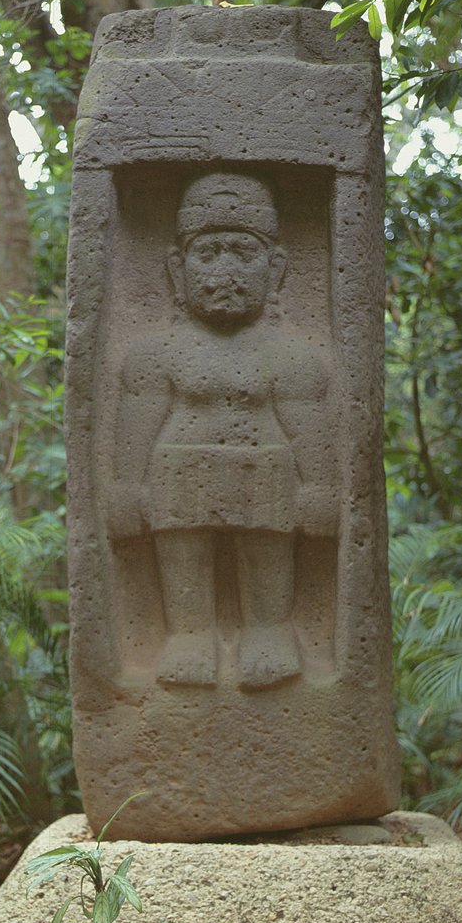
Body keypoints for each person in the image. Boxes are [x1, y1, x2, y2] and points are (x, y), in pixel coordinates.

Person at [108, 171, 339, 691]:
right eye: (207, 254)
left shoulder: (293, 359)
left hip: (267, 482)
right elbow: (136, 428)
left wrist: (321, 489)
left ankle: (270, 630)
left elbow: (308, 430)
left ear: (276, 268)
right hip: (177, 483)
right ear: (177, 268)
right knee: (182, 549)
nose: (225, 270)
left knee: (266, 548)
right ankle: (190, 633)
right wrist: (125, 490)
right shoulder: (154, 356)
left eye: (243, 252)